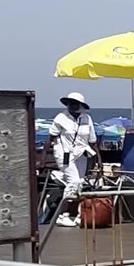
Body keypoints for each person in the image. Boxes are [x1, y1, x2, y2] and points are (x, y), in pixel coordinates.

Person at [46, 90, 99, 224]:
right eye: (70, 103)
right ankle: (63, 215)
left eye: (75, 103)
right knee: (73, 182)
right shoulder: (60, 118)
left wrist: (99, 159)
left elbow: (93, 141)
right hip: (64, 154)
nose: (72, 105)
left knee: (79, 182)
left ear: (80, 105)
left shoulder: (87, 119)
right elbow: (50, 138)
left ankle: (77, 214)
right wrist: (42, 158)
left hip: (82, 154)